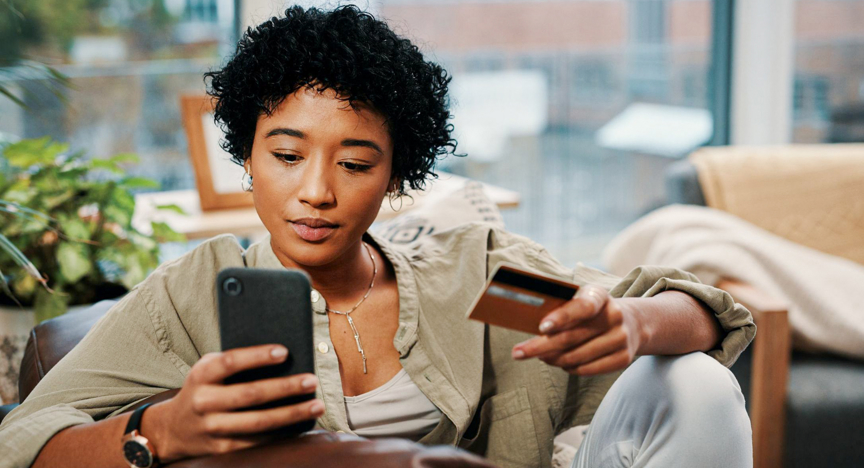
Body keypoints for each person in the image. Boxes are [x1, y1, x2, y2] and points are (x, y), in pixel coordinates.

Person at [0, 5, 755, 468]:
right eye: (287, 156)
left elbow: (697, 312)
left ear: (394, 175)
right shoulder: (193, 298)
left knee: (691, 380)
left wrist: (628, 322)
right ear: (248, 159)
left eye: (356, 162)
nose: (317, 191)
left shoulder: (472, 283)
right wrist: (160, 430)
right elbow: (24, 441)